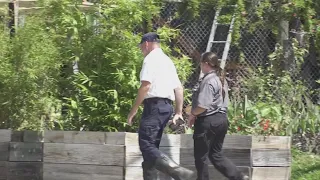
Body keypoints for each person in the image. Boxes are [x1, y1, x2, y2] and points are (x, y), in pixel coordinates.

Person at [127, 32, 194, 180]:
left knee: (146, 145)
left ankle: (177, 171)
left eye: (141, 48)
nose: (141, 52)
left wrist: (134, 110)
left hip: (154, 107)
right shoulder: (167, 61)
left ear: (146, 44)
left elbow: (145, 86)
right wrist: (178, 112)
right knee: (150, 151)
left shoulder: (150, 59)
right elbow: (179, 88)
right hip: (166, 108)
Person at [187, 52, 249, 180]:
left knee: (201, 157)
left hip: (208, 122)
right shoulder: (221, 79)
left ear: (205, 64)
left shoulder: (208, 80)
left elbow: (203, 105)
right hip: (221, 120)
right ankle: (239, 177)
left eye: (200, 64)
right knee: (216, 154)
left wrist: (192, 113)